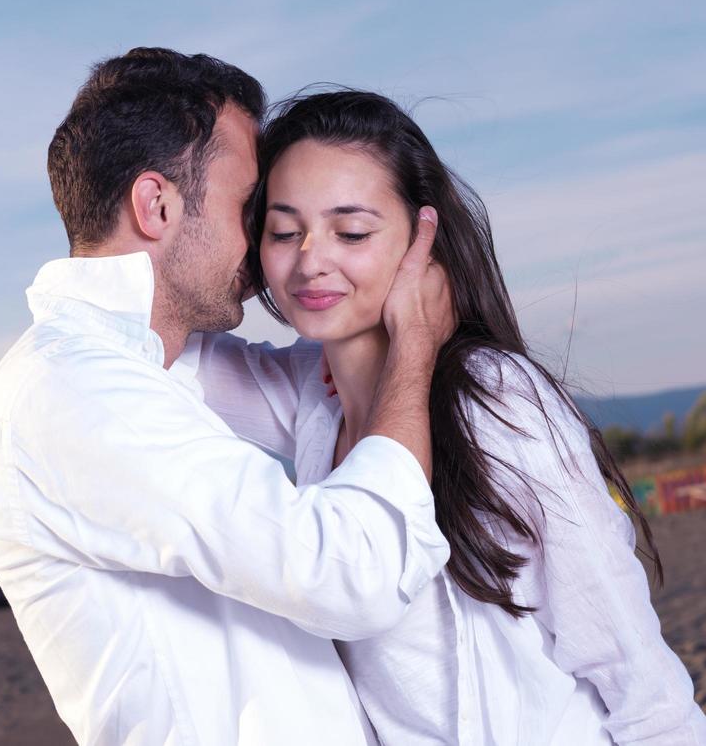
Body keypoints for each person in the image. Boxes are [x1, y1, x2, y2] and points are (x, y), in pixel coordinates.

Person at [0, 51, 454, 746]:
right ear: (156, 204)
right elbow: (356, 572)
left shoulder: (153, 363)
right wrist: (414, 347)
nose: (263, 242)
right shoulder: (72, 391)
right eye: (248, 207)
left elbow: (320, 385)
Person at [198, 88, 706, 745]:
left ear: (422, 238)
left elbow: (631, 665)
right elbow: (152, 351)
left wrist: (415, 345)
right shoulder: (307, 398)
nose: (309, 260)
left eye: (351, 231)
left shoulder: (494, 398)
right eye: (283, 230)